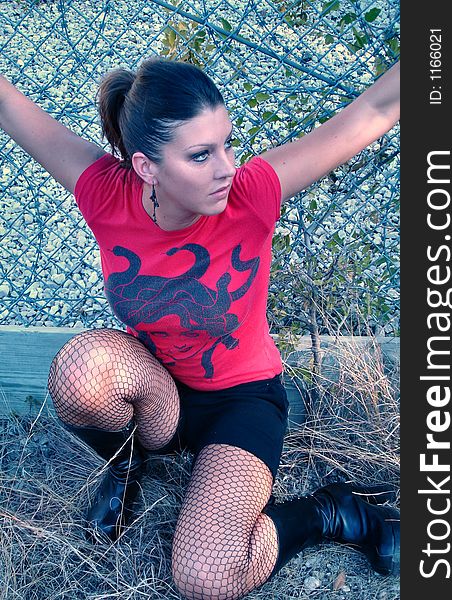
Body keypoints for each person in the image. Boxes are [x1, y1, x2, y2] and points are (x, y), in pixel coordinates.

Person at [0, 55, 400, 600]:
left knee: (206, 578)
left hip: (243, 402)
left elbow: (374, 109)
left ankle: (334, 513)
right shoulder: (106, 193)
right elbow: (12, 107)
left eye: (227, 144)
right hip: (159, 394)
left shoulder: (252, 194)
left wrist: (442, 36)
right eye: (200, 155)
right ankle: (126, 467)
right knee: (81, 370)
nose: (227, 167)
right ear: (146, 167)